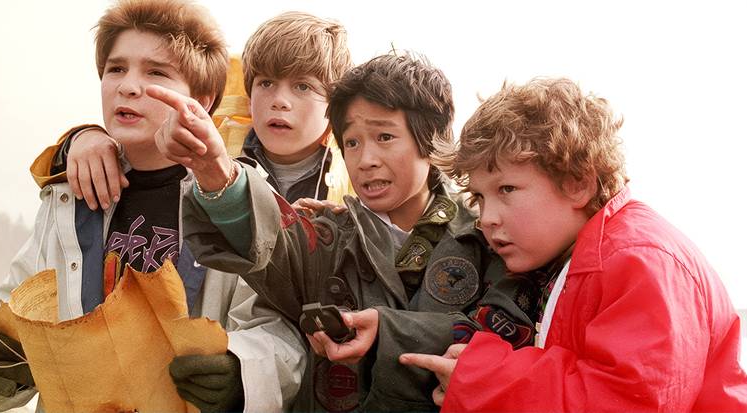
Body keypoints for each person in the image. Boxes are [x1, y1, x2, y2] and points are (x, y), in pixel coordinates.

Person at [0, 1, 305, 412]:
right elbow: (18, 311)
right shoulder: (67, 197)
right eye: (116, 69)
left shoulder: (241, 198)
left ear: (204, 100)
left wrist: (241, 371)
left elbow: (279, 330)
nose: (128, 86)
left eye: (156, 72)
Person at [152, 53, 543, 412]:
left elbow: (509, 332)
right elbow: (272, 243)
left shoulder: (487, 235)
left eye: (384, 137)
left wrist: (386, 332)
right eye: (352, 143)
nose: (366, 160)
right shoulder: (330, 238)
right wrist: (214, 168)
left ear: (431, 138)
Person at [400, 78, 747, 411]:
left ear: (578, 185)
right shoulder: (589, 254)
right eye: (480, 196)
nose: (487, 217)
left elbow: (628, 403)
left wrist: (483, 382)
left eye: (506, 189)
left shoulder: (639, 261)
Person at [59, 11, 354, 210]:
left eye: (302, 87)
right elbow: (144, 148)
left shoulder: (355, 171)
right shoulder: (211, 148)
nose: (280, 101)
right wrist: (85, 137)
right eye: (266, 83)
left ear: (335, 103)